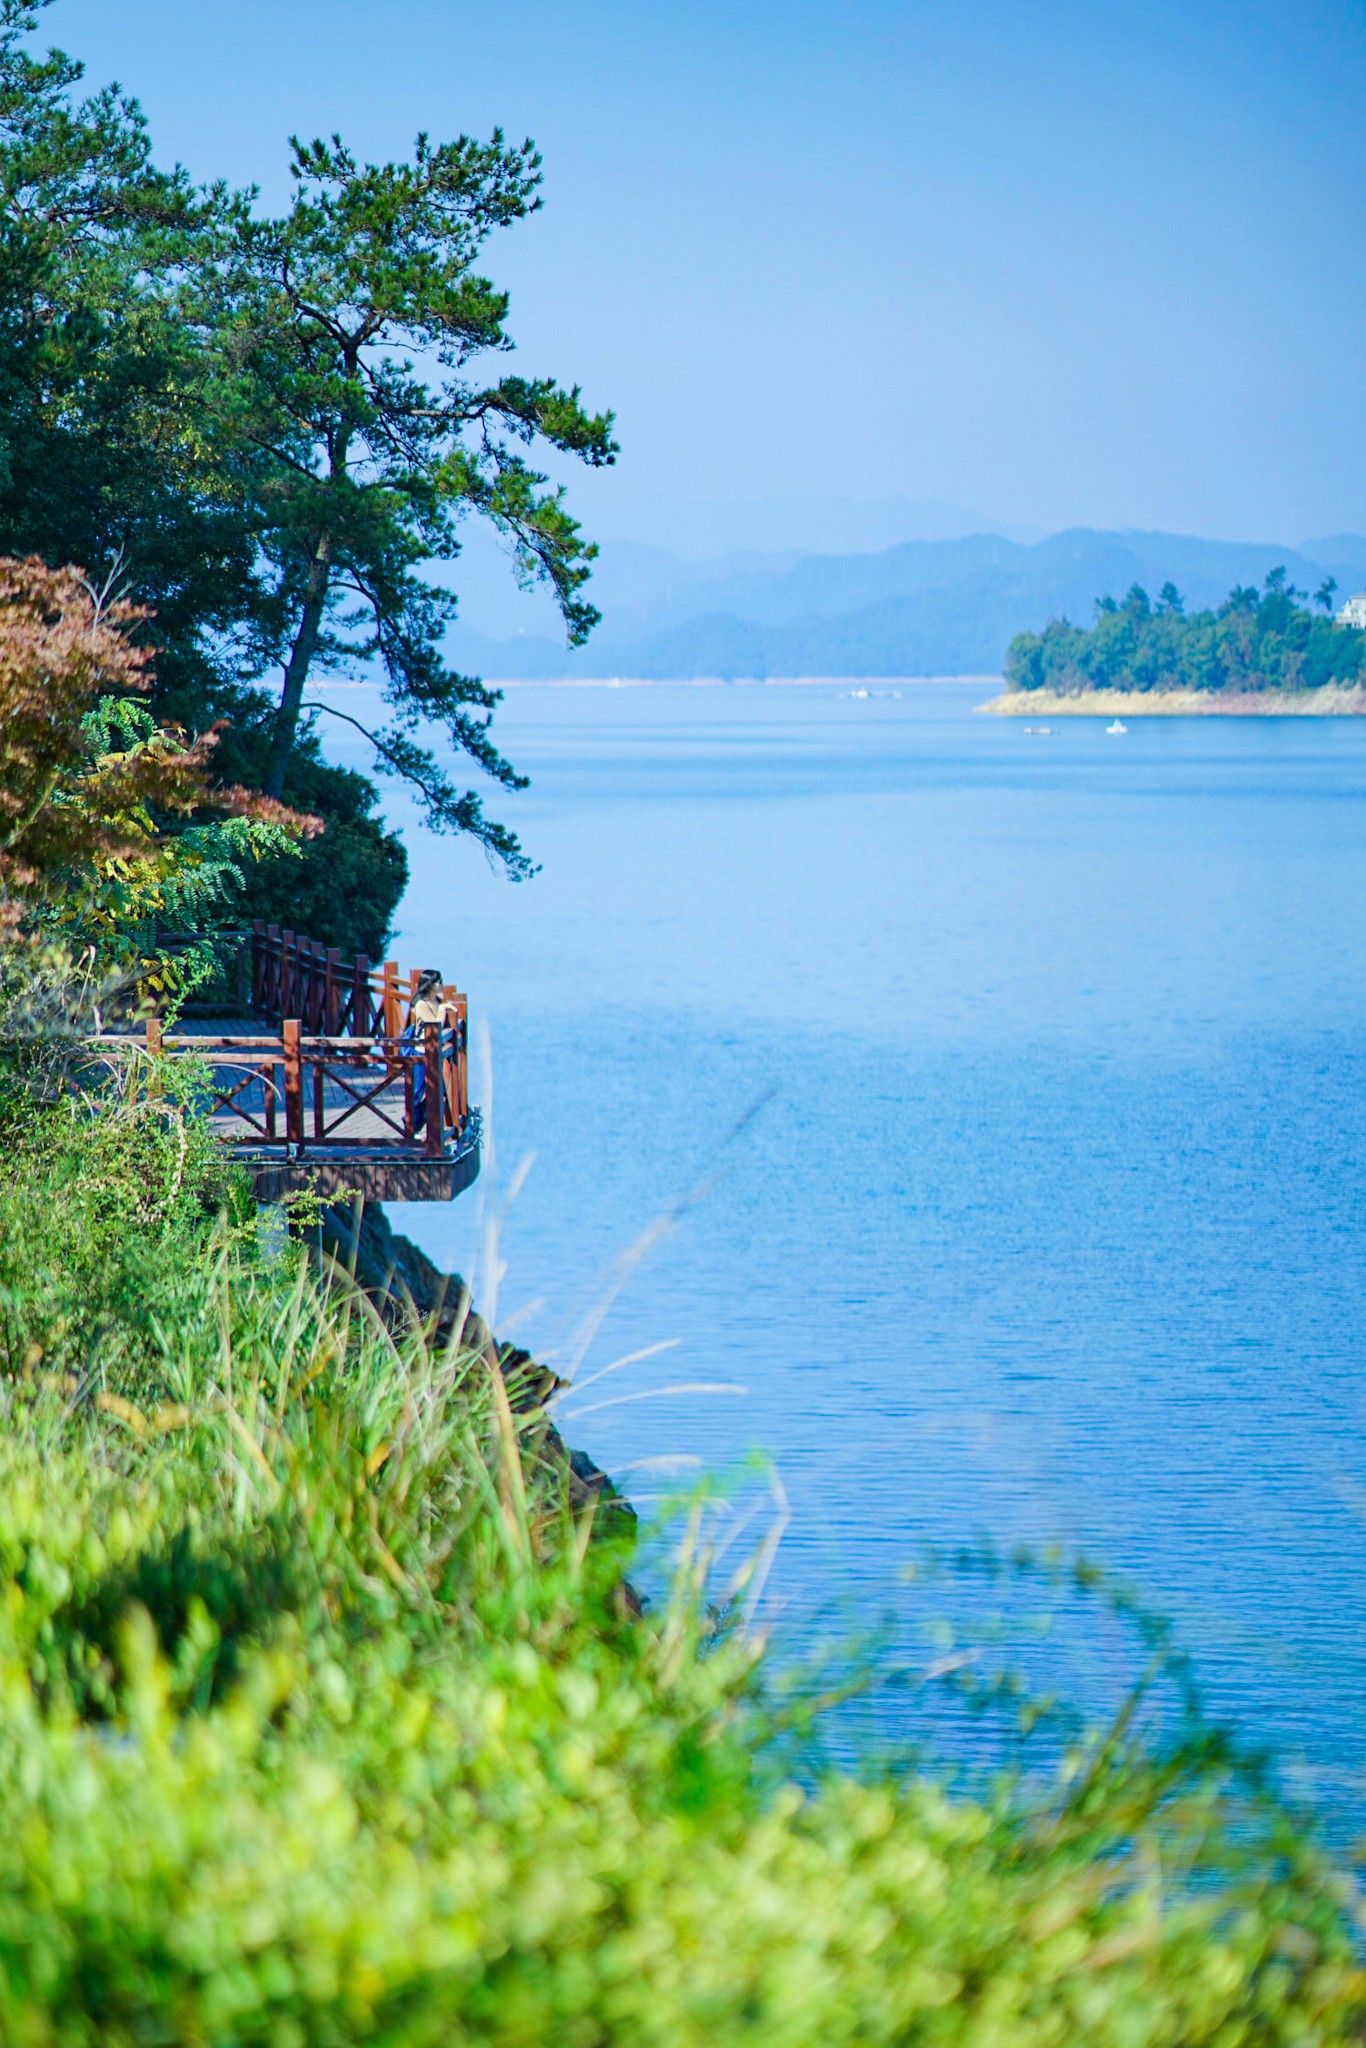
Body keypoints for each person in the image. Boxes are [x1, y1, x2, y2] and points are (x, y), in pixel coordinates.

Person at [400, 969, 456, 1127]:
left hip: (434, 1054)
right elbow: (434, 1026)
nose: (440, 984)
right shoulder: (421, 1005)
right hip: (421, 1053)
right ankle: (410, 1125)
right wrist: (444, 1009)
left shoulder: (436, 1000)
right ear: (428, 984)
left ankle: (418, 1123)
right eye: (437, 981)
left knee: (439, 1092)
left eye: (440, 980)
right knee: (417, 1092)